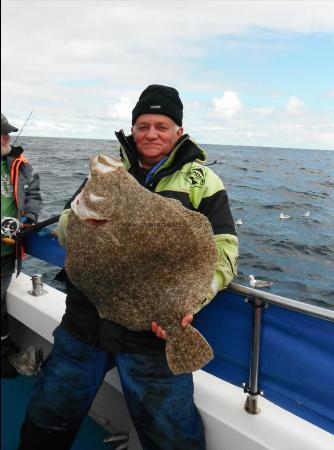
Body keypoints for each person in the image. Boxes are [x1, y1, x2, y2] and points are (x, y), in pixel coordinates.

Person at [18, 85, 239, 450]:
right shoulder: (110, 175)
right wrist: (78, 220)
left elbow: (224, 249)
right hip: (86, 322)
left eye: (162, 126)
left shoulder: (203, 182)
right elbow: (64, 231)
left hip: (153, 337)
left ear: (178, 132)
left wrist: (191, 301)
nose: (151, 133)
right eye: (143, 125)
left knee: (172, 438)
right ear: (133, 129)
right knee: (47, 419)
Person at [1, 113, 42, 378]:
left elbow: (35, 196)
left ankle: (4, 348)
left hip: (7, 252)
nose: (7, 137)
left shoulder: (21, 166)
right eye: (2, 133)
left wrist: (27, 218)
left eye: (7, 133)